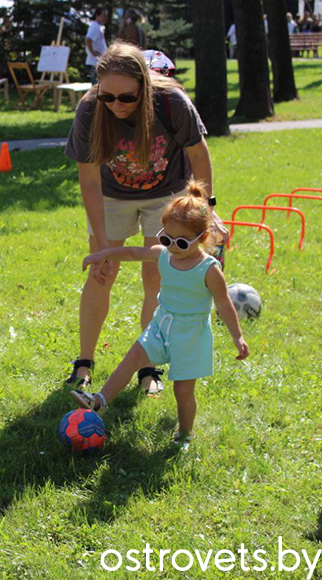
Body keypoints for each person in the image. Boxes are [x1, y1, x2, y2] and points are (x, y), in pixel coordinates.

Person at [63, 41, 214, 398]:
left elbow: (200, 154)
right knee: (102, 274)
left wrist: (207, 209)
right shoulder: (89, 110)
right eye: (107, 97)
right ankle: (83, 364)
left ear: (145, 87)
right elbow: (88, 180)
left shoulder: (171, 102)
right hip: (112, 195)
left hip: (165, 193)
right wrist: (102, 245)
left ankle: (149, 367)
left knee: (156, 277)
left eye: (126, 98)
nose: (116, 105)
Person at [71, 182, 249, 450]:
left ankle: (185, 434)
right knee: (131, 359)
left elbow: (224, 303)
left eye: (180, 242)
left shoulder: (210, 270)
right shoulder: (165, 254)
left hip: (191, 334)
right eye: (166, 238)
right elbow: (133, 252)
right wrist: (104, 252)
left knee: (183, 391)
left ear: (201, 238)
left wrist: (238, 337)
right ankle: (100, 400)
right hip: (161, 324)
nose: (171, 247)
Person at [85, 8, 109, 84]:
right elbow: (88, 39)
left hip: (98, 62)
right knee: (96, 87)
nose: (105, 18)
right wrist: (92, 52)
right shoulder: (95, 27)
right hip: (94, 63)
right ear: (97, 15)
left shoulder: (100, 27)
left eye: (106, 16)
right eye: (104, 16)